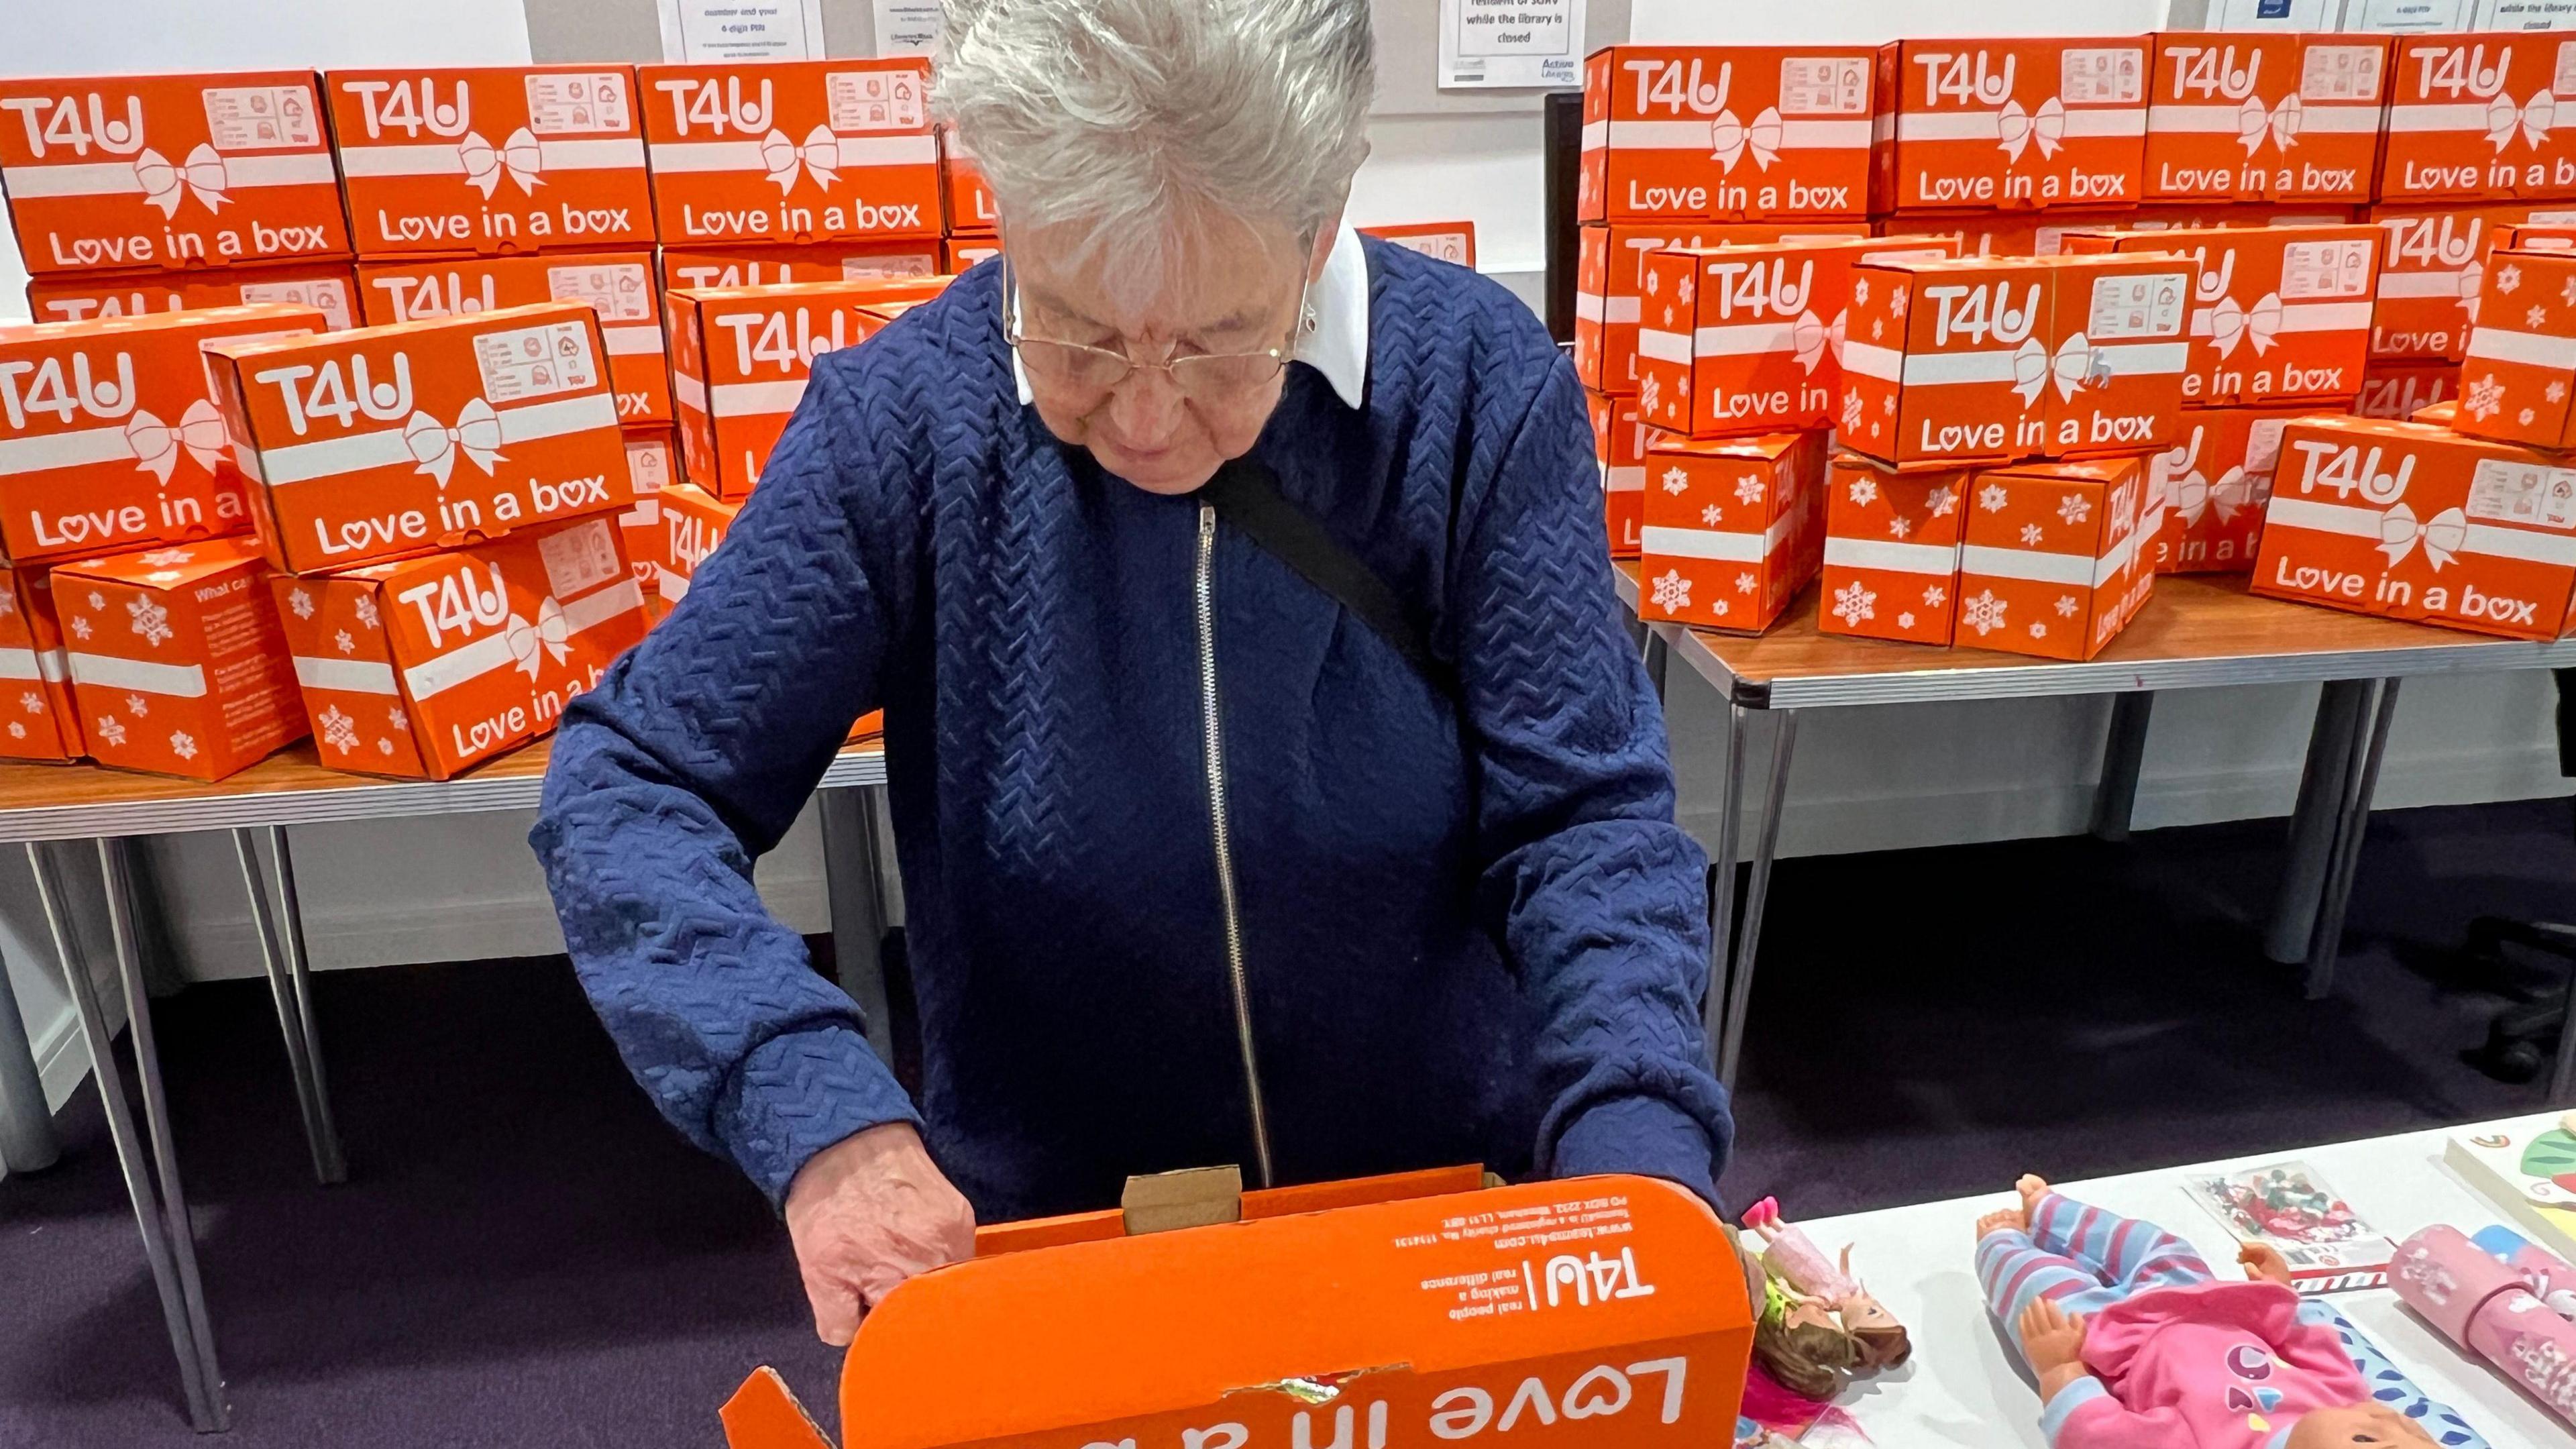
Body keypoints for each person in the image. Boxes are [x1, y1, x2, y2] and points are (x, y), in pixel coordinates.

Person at [530, 0, 1731, 1346]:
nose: (1148, 418)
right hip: (1061, 1243)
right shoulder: (909, 426)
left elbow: (1583, 820)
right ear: (1006, 216)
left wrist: (1634, 1155)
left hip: (1440, 1213)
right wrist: (817, 1117)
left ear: (1323, 223)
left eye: (1221, 339)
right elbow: (633, 787)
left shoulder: (1475, 389)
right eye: (1077, 332)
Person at [1976, 1176, 2443, 1448]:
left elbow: (2100, 1436)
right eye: (2417, 1434)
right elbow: (2308, 1339)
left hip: (2117, 1343)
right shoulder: (2344, 1396)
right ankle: (2051, 1211)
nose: (2389, 1420)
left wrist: (2060, 1369)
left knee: (2041, 1298)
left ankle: (2001, 1242)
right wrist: (2281, 1295)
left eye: (2368, 1442)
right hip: (2208, 1301)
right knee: (2163, 1247)